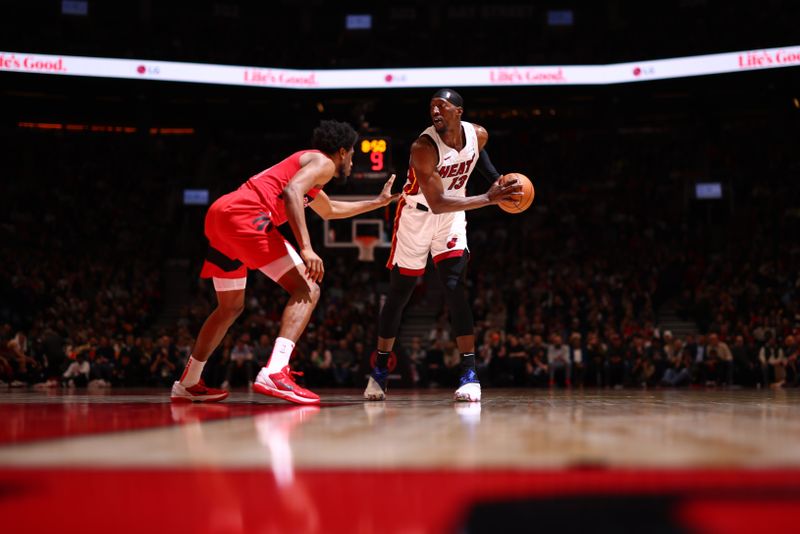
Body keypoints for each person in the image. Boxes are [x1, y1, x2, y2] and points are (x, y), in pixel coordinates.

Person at [171, 120, 397, 404]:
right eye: (352, 155)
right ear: (343, 152)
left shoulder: (309, 170)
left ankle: (188, 382)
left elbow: (330, 210)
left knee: (229, 306)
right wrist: (307, 248)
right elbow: (292, 192)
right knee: (308, 288)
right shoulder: (323, 163)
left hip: (222, 214)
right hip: (247, 215)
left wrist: (378, 202)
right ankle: (276, 371)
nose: (352, 161)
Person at [363, 88, 522, 402]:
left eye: (442, 106)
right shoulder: (423, 147)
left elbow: (480, 158)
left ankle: (469, 373)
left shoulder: (478, 135)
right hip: (417, 217)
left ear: (459, 111)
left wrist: (498, 181)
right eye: (432, 107)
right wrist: (488, 199)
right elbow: (436, 203)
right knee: (399, 294)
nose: (435, 111)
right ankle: (380, 371)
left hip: (453, 217)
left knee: (454, 286)